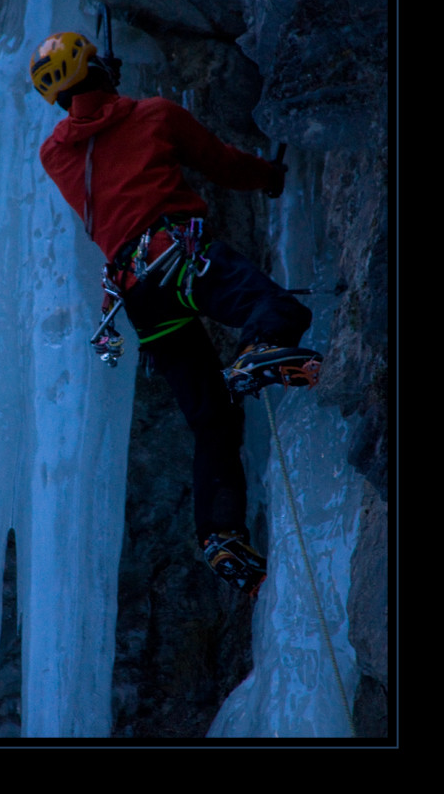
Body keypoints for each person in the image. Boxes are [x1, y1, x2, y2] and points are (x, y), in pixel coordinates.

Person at [30, 31, 319, 595]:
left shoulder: (54, 155)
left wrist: (95, 84)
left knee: (213, 420)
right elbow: (222, 163)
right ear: (98, 67)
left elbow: (89, 126)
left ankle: (220, 535)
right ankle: (259, 351)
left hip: (138, 296)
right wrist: (271, 177)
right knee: (274, 307)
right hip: (182, 258)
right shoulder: (154, 115)